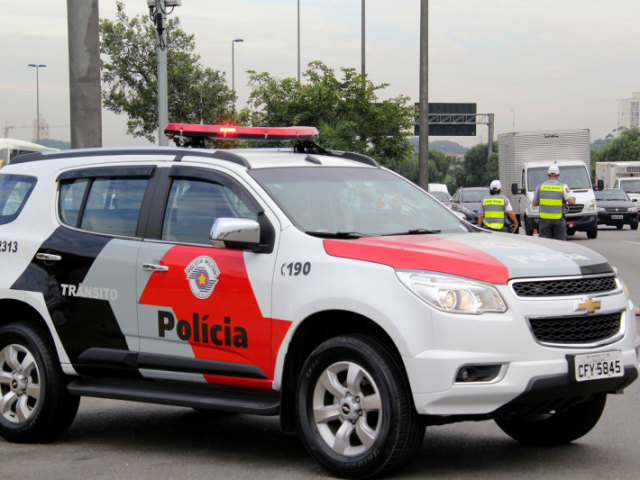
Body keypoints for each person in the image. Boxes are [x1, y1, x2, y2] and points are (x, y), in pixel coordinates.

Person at [532, 164, 576, 240]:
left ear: (547, 174)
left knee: (545, 244)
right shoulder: (563, 187)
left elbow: (534, 203)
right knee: (559, 244)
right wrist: (573, 197)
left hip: (544, 220)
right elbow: (572, 202)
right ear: (558, 175)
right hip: (558, 220)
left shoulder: (540, 186)